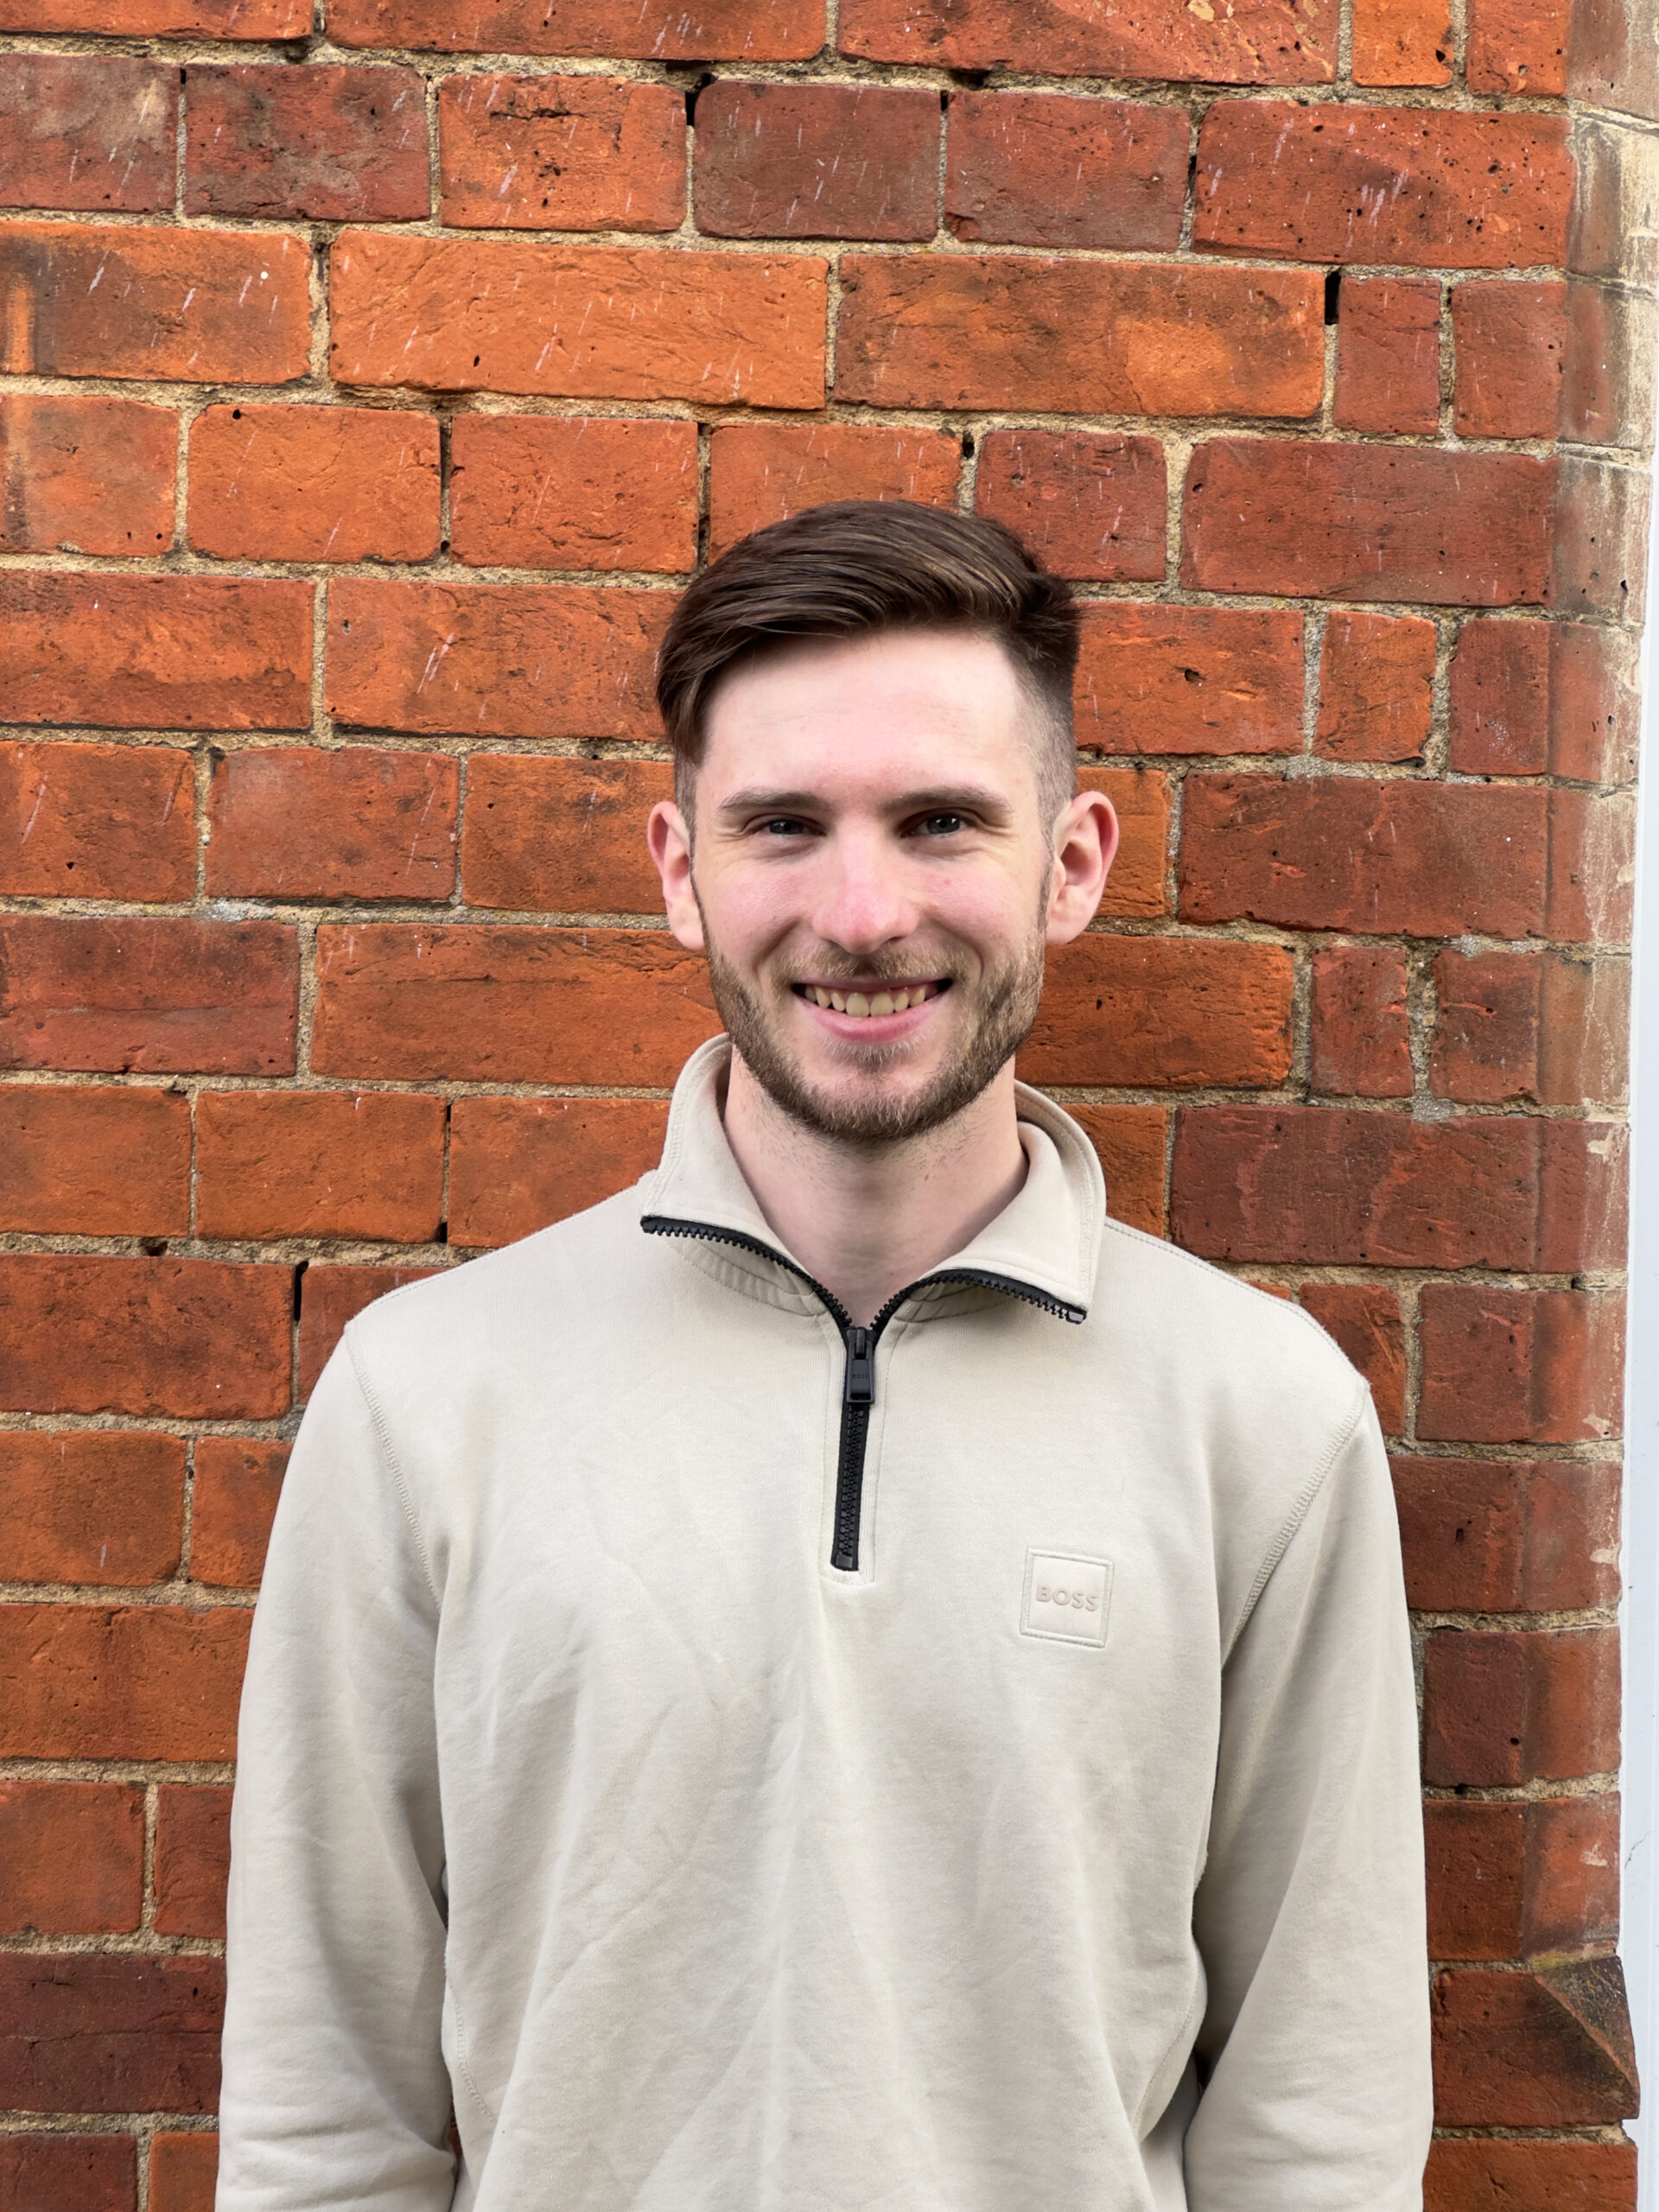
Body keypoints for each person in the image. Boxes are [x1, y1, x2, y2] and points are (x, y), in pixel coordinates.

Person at [219, 501, 1432, 2211]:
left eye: (939, 820)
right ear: (678, 866)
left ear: (1070, 862)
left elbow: (1323, 2126)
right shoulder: (429, 1399)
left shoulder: (1261, 1419)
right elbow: (326, 2119)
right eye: (783, 824)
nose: (861, 911)